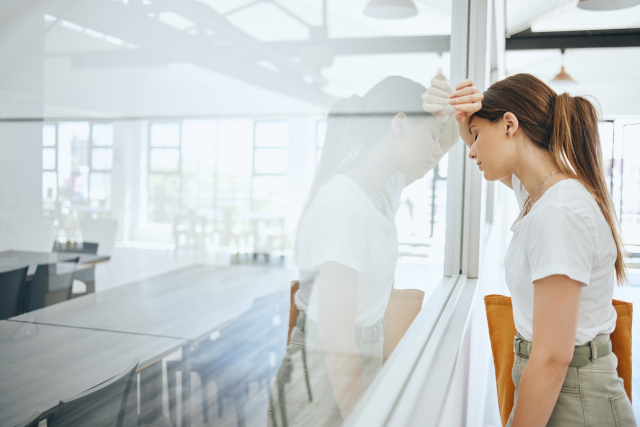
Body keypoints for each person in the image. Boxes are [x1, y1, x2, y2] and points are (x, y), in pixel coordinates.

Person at [267, 75, 457, 427]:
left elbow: (450, 139)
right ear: (399, 124)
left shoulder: (384, 187)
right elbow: (338, 339)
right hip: (325, 374)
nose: (436, 150)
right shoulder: (345, 205)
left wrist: (448, 108)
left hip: (357, 358)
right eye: (430, 136)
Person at [451, 74, 636, 426]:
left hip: (574, 396)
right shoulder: (542, 195)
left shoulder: (558, 211)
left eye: (476, 137)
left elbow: (552, 357)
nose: (472, 151)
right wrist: (467, 123)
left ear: (510, 124)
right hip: (566, 389)